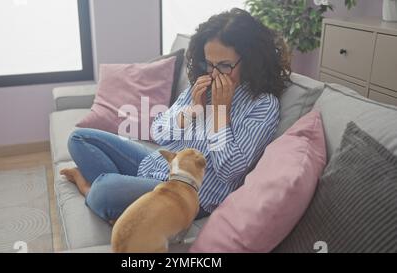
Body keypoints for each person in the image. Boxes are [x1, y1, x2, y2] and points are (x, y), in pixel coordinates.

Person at [60, 8, 290, 224]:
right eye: (209, 64)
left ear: (250, 59)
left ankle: (90, 189)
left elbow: (229, 171)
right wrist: (192, 111)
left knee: (104, 191)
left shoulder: (262, 105)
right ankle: (128, 201)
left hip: (187, 193)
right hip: (155, 164)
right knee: (79, 139)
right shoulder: (200, 86)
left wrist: (221, 112)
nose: (214, 73)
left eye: (225, 65)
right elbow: (159, 132)